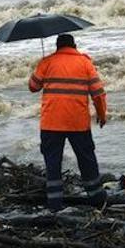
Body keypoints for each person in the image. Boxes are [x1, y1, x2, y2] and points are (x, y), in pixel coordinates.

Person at [28, 34, 107, 211]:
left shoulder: (47, 62)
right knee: (86, 159)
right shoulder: (85, 63)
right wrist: (101, 115)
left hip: (51, 123)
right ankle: (96, 199)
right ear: (74, 45)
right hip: (77, 122)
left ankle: (55, 204)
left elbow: (33, 86)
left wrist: (42, 65)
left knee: (52, 162)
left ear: (57, 47)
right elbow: (98, 93)